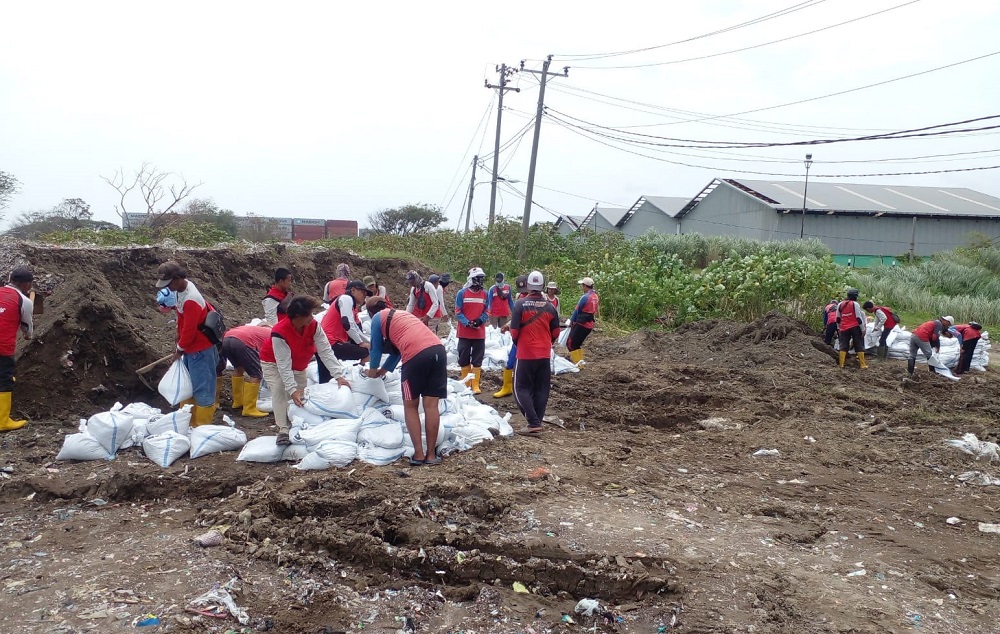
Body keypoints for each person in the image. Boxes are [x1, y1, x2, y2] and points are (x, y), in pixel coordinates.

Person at [365, 296, 447, 466]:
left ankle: (418, 454)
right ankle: (431, 455)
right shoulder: (401, 316)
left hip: (415, 356)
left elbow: (375, 350)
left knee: (410, 405)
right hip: (438, 350)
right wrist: (382, 371)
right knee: (431, 405)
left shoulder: (377, 319)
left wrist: (372, 372)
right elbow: (395, 354)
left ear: (370, 312)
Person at [260, 296, 350, 445]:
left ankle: (297, 426)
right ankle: (283, 429)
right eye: (308, 315)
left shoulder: (314, 326)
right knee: (280, 389)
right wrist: (291, 389)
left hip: (299, 364)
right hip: (273, 362)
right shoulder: (280, 332)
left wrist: (338, 375)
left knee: (301, 397)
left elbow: (325, 351)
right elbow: (283, 364)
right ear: (297, 317)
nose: (312, 317)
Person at [156, 261, 220, 426]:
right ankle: (189, 424)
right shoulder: (182, 289)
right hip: (192, 349)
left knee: (203, 389)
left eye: (169, 283)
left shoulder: (190, 299)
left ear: (177, 279)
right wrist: (179, 341)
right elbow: (183, 321)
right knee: (190, 386)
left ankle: (202, 428)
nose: (168, 287)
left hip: (200, 349)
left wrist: (180, 349)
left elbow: (190, 330)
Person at [510, 271, 561, 436]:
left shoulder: (520, 305)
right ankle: (537, 422)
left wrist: (519, 343)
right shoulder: (550, 307)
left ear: (528, 286)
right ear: (543, 286)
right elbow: (556, 333)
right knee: (541, 388)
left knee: (520, 387)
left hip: (525, 353)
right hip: (544, 354)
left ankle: (532, 423)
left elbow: (514, 332)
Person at [0, 267, 35, 431]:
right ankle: (2, 421)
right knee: (4, 380)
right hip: (2, 346)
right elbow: (27, 327)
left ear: (10, 278)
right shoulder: (24, 301)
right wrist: (28, 336)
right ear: (27, 285)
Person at [319, 280, 371, 379]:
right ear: (353, 290)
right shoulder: (346, 298)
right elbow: (347, 323)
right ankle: (363, 379)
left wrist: (367, 341)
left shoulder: (350, 305)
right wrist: (361, 343)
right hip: (331, 342)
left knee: (326, 379)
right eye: (363, 292)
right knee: (365, 352)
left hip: (323, 343)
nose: (365, 296)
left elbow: (355, 328)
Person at [221, 324, 271, 417]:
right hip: (243, 341)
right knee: (256, 375)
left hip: (226, 338)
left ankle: (238, 402)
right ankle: (249, 408)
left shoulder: (257, 329)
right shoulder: (273, 335)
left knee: (238, 368)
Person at [454, 268, 489, 394]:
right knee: (463, 358)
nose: (481, 281)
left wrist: (480, 320)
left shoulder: (485, 294)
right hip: (464, 332)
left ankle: (475, 385)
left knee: (477, 359)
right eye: (479, 278)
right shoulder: (462, 293)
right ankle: (466, 384)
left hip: (479, 333)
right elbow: (458, 311)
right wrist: (467, 323)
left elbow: (487, 310)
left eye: (482, 278)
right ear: (472, 279)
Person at [494, 274, 528, 399]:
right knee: (510, 362)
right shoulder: (519, 297)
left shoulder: (541, 299)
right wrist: (508, 325)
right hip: (519, 337)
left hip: (532, 337)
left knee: (527, 365)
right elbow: (516, 316)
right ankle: (507, 387)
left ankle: (527, 389)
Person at [567, 276, 599, 367]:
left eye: (582, 285)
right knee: (576, 344)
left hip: (581, 324)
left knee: (570, 343)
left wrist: (571, 321)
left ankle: (579, 364)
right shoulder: (595, 296)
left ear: (585, 286)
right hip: (589, 325)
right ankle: (580, 362)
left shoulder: (585, 297)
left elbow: (577, 310)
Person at [836, 288, 868, 369]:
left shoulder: (840, 304)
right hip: (855, 327)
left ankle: (841, 365)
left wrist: (839, 328)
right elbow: (858, 317)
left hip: (844, 328)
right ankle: (863, 364)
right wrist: (863, 329)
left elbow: (838, 318)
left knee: (843, 346)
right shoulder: (855, 304)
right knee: (859, 344)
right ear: (856, 296)